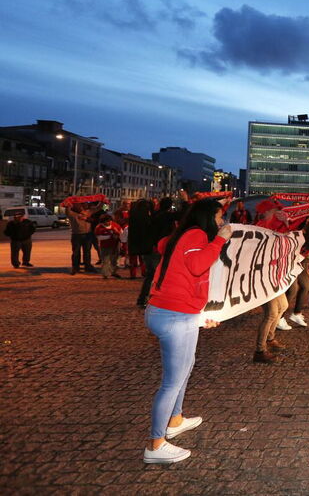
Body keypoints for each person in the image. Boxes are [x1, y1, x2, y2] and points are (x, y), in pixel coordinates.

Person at [143, 198, 230, 464]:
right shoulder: (196, 235)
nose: (221, 223)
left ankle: (176, 419)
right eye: (218, 218)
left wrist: (199, 315)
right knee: (171, 382)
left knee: (185, 369)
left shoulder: (183, 235)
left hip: (175, 312)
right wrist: (220, 240)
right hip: (174, 315)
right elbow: (197, 266)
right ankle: (155, 446)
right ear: (207, 218)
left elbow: (180, 267)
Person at [253, 199, 292, 363]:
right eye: (276, 210)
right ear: (267, 212)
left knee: (283, 306)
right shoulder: (260, 227)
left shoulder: (276, 224)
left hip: (276, 274)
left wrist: (286, 223)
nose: (278, 212)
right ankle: (260, 351)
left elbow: (288, 239)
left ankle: (270, 339)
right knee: (271, 313)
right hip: (263, 276)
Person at [66, 202, 99, 274]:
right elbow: (67, 211)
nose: (85, 205)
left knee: (86, 252)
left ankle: (85, 266)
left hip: (86, 234)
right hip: (77, 234)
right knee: (77, 252)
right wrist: (68, 205)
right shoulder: (73, 214)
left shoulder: (87, 212)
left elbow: (97, 208)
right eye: (82, 204)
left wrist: (102, 202)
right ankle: (76, 267)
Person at [94, 213, 123, 279]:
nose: (108, 222)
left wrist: (118, 234)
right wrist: (110, 236)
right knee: (105, 260)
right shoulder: (99, 227)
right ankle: (105, 274)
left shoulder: (115, 225)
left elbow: (121, 233)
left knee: (115, 260)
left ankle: (113, 272)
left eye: (109, 221)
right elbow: (99, 237)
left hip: (115, 245)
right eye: (106, 221)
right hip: (105, 246)